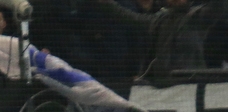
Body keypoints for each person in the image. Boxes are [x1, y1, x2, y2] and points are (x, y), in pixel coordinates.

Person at [94, 0, 228, 82]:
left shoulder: (198, 17)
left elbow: (218, 6)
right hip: (164, 85)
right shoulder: (159, 20)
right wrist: (106, 3)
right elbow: (131, 18)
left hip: (190, 84)